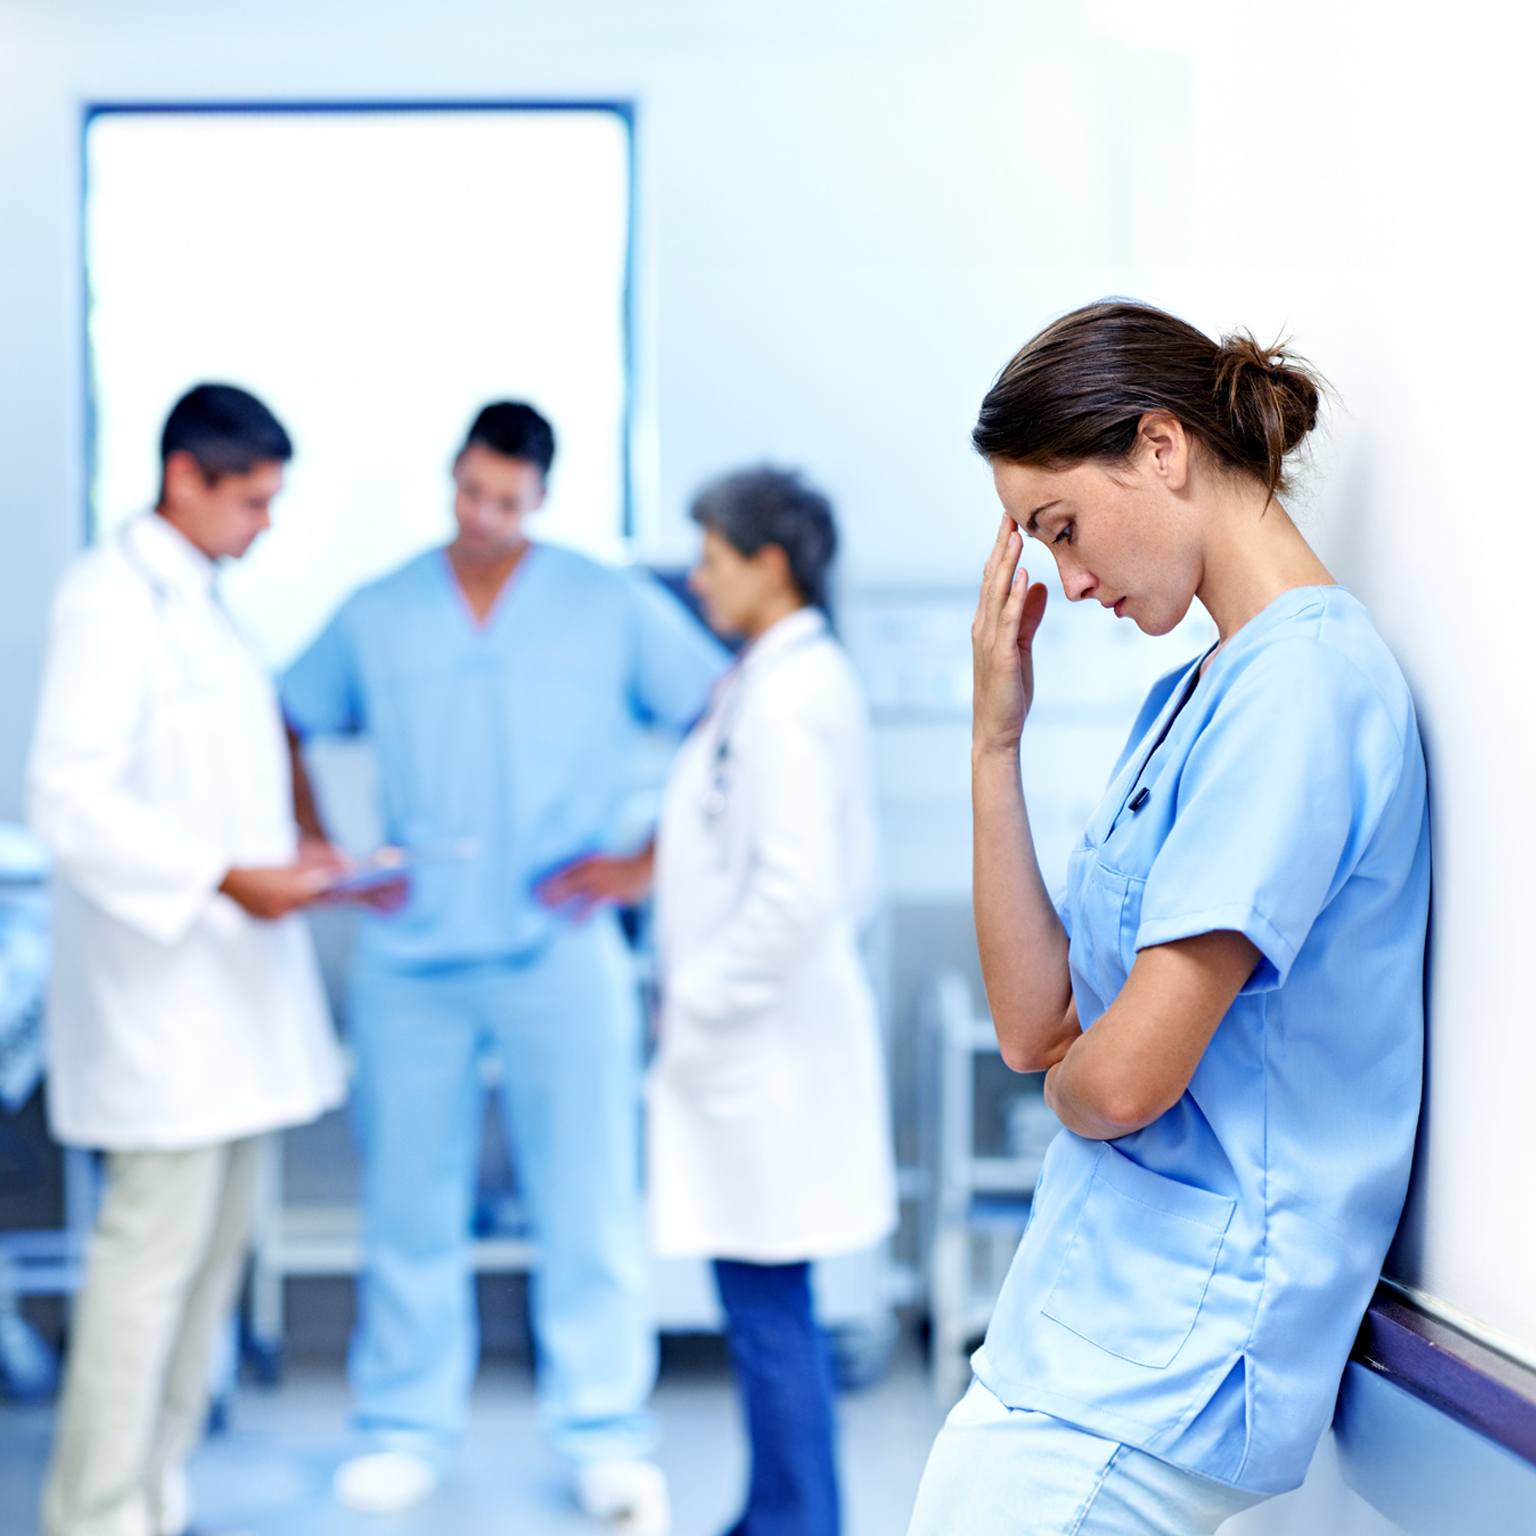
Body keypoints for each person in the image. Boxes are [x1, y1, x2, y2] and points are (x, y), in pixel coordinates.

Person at [906, 302, 1429, 1535]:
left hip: (1159, 1357)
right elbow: (1042, 1030)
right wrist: (995, 737)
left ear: (1159, 446)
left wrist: (1081, 1083)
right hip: (1091, 1342)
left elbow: (1122, 1081)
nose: (1071, 583)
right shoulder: (1201, 692)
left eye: (1065, 531)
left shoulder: (1305, 686)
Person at [280, 401, 727, 1531]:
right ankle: (402, 1428)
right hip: (410, 954)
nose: (484, 518)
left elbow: (723, 715)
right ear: (453, 478)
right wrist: (318, 847)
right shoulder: (380, 612)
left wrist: (642, 861)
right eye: (470, 493)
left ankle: (605, 1436)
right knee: (407, 1201)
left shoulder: (605, 605)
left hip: (560, 949)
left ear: (540, 498)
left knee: (587, 1202)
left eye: (508, 503)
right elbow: (281, 712)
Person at [29, 384, 350, 1536]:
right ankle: (97, 1513)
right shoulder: (109, 602)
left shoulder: (203, 605)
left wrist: (296, 852)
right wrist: (224, 875)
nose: (265, 524)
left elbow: (220, 778)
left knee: (204, 1281)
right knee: (144, 1282)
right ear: (186, 480)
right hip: (162, 1015)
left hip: (231, 1012)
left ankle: (151, 1501)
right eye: (252, 501)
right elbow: (68, 798)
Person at [638, 468, 898, 1536]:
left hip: (761, 1048)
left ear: (770, 565)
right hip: (756, 1047)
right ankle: (774, 1513)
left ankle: (794, 1522)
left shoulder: (791, 694)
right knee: (761, 1308)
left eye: (712, 557)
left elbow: (796, 896)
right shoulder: (775, 679)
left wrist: (697, 997)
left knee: (768, 1314)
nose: (696, 579)